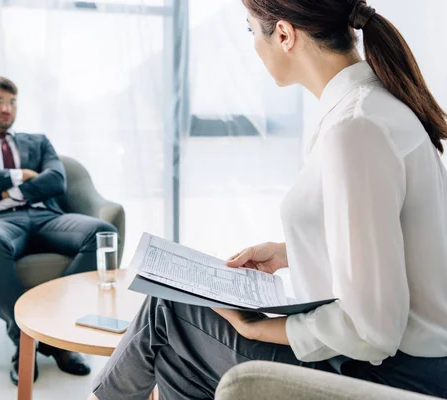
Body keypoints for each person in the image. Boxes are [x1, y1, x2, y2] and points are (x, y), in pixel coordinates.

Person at [89, 0, 447, 399]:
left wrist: (258, 327)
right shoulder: (371, 107)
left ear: (283, 34)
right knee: (177, 357)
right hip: (402, 361)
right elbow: (389, 243)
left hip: (389, 375)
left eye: (250, 30)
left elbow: (373, 330)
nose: (253, 46)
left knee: (167, 310)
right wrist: (288, 251)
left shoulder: (356, 128)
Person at [0, 76, 117, 385]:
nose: (7, 108)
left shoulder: (38, 141)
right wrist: (20, 174)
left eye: (12, 102)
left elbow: (56, 181)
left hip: (45, 217)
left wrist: (7, 193)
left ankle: (55, 333)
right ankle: (24, 337)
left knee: (103, 234)